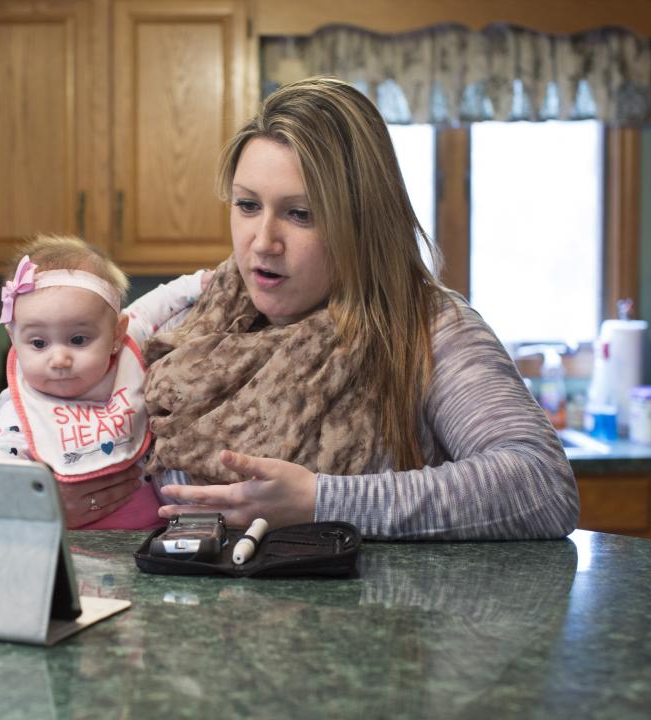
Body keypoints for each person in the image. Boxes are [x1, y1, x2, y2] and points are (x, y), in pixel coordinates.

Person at [140, 76, 580, 540]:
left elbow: (543, 486)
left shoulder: (427, 328)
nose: (264, 242)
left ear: (363, 221)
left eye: (301, 214)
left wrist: (321, 502)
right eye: (248, 205)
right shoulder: (186, 329)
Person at [0, 234, 207, 529]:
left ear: (116, 335)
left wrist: (205, 282)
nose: (59, 358)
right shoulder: (20, 409)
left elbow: (160, 302)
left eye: (78, 339)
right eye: (38, 343)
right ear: (14, 338)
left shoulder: (127, 351)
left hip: (152, 538)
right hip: (75, 546)